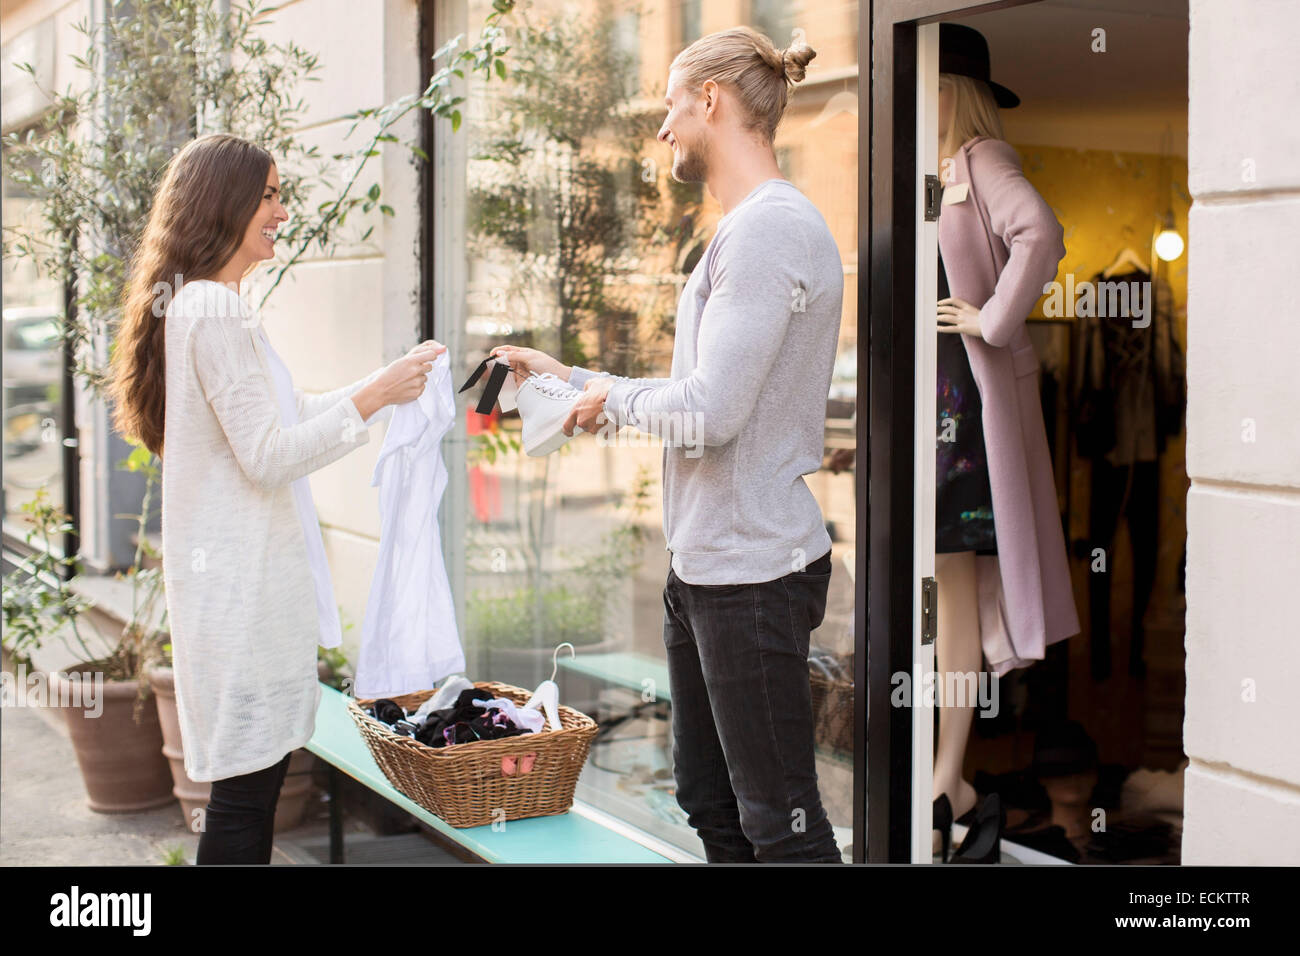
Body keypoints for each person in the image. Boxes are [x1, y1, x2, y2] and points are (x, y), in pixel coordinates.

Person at [492, 26, 844, 863]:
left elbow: (714, 410)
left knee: (781, 823)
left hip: (752, 571)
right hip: (709, 567)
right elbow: (701, 395)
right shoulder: (747, 231)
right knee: (708, 799)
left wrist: (603, 396)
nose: (662, 130)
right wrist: (575, 380)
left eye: (670, 107)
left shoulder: (767, 231)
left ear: (711, 101)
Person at [106, 132, 444, 864]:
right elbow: (268, 456)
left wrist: (380, 390)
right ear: (222, 203)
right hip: (243, 593)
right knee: (243, 802)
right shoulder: (213, 312)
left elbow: (281, 418)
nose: (283, 212)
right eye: (269, 195)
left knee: (248, 795)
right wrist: (375, 398)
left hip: (239, 590)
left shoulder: (208, 306)